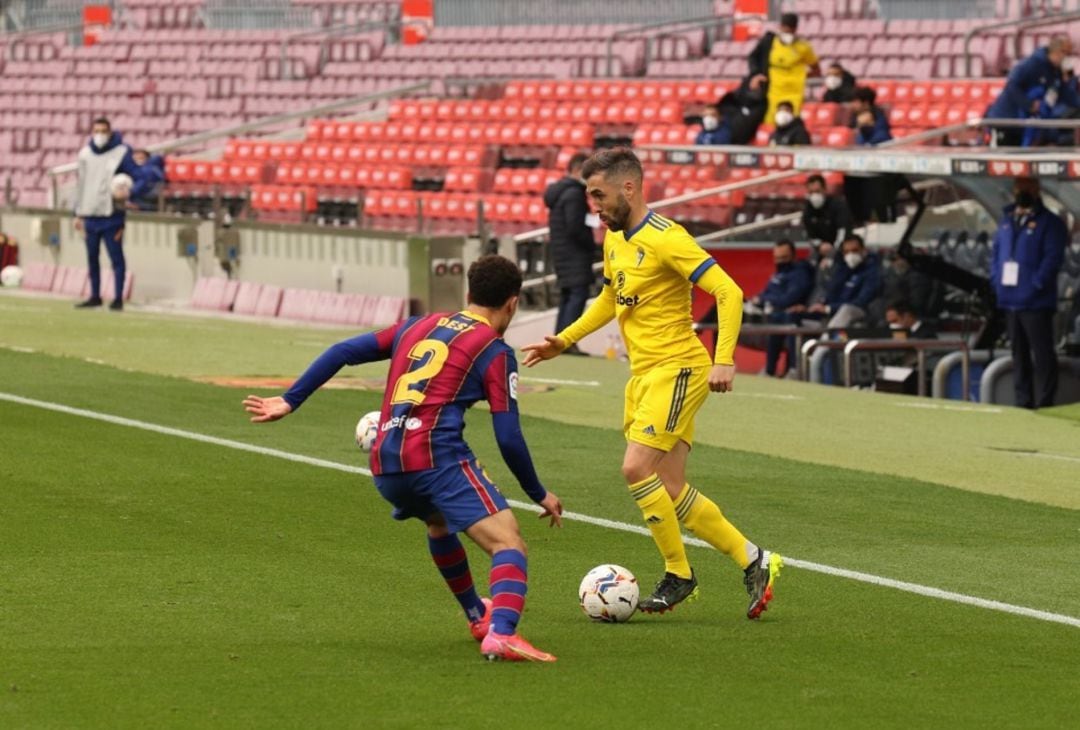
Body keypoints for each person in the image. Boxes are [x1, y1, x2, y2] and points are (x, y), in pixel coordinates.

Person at [243, 255, 565, 662]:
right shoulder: (494, 351)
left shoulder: (418, 324)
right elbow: (508, 435)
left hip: (386, 461)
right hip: (435, 456)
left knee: (438, 521)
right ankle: (501, 633)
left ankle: (476, 614)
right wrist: (537, 492)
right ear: (512, 304)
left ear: (468, 294)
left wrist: (291, 400)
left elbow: (342, 350)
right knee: (509, 543)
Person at [522, 148, 782, 619]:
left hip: (678, 369)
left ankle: (679, 572)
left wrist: (723, 360)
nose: (594, 207)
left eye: (599, 195)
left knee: (635, 468)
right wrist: (563, 339)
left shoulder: (667, 238)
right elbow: (609, 298)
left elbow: (729, 291)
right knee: (671, 485)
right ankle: (754, 559)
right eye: (590, 197)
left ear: (629, 187)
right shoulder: (616, 238)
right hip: (644, 375)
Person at [990, 177, 1067, 408]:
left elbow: (1053, 258)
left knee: (1042, 355)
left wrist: (1036, 283)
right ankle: (1023, 401)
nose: (1022, 191)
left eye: (1027, 187)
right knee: (1018, 355)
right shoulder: (1006, 220)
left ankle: (1045, 402)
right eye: (1019, 187)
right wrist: (996, 281)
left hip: (1035, 302)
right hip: (1009, 299)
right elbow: (995, 254)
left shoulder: (1049, 222)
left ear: (1037, 189)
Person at [73, 117, 144, 311]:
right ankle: (95, 295)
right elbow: (81, 185)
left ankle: (118, 298)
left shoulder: (121, 152)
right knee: (92, 257)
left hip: (112, 215)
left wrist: (130, 192)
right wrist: (77, 213)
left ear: (110, 132)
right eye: (96, 130)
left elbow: (140, 177)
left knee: (116, 258)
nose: (100, 135)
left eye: (103, 131)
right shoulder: (85, 154)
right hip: (90, 214)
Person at [545, 152, 597, 353]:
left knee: (568, 295)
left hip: (562, 251)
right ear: (577, 170)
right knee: (577, 295)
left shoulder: (560, 192)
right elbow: (575, 226)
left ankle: (559, 338)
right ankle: (567, 340)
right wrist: (590, 245)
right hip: (574, 253)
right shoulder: (574, 194)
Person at [987, 36, 1077, 146]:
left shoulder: (1055, 72)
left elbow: (1066, 94)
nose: (1066, 58)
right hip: (1005, 119)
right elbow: (1012, 85)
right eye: (1065, 54)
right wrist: (1029, 105)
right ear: (1057, 52)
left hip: (1023, 126)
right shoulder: (1032, 64)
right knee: (1001, 158)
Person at [752, 239, 814, 376]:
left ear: (793, 256)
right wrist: (761, 300)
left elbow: (788, 299)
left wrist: (766, 300)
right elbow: (764, 294)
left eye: (784, 258)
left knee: (782, 319)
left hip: (788, 314)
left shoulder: (800, 273)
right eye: (777, 258)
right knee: (723, 310)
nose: (780, 261)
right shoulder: (777, 274)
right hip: (766, 311)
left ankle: (780, 370)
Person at [748, 12, 820, 123]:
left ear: (795, 29)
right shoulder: (770, 42)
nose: (787, 33)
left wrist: (802, 76)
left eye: (790, 30)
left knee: (791, 121)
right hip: (774, 90)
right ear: (780, 27)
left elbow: (816, 69)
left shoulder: (804, 47)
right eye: (784, 29)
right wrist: (756, 74)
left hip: (795, 93)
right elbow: (753, 57)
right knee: (771, 122)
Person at [808, 233, 882, 328]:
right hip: (835, 311)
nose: (850, 255)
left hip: (861, 311)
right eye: (847, 252)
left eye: (855, 250)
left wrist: (829, 308)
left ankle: (827, 341)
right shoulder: (842, 269)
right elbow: (832, 291)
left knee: (847, 310)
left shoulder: (873, 271)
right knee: (798, 317)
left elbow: (862, 301)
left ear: (864, 250)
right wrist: (821, 305)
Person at [717, 73, 769, 144]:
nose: (757, 85)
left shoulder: (762, 104)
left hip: (741, 141)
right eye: (756, 81)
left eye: (761, 83)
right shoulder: (733, 98)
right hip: (725, 137)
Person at [802, 173, 852, 246]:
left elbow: (843, 229)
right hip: (820, 247)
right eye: (811, 193)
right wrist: (820, 245)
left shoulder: (838, 205)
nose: (814, 196)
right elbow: (811, 235)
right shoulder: (808, 209)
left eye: (817, 191)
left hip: (840, 244)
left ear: (825, 189)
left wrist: (836, 247)